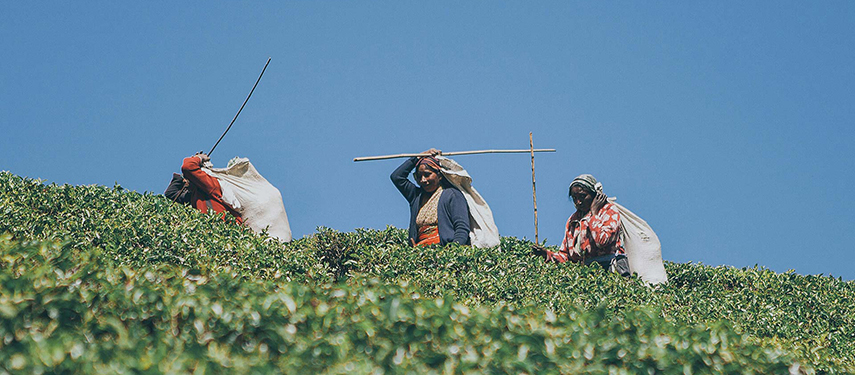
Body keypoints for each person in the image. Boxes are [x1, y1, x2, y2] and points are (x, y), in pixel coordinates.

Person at [533, 174, 630, 277]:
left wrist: (594, 214)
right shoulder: (573, 221)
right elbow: (566, 257)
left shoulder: (608, 211)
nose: (578, 202)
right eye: (574, 198)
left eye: (583, 196)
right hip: (587, 274)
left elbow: (602, 241)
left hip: (611, 268)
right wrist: (546, 254)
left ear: (595, 195)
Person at [391, 149, 470, 247]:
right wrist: (417, 157)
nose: (423, 180)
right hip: (420, 254)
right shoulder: (416, 196)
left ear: (439, 175)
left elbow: (462, 228)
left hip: (443, 251)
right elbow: (397, 177)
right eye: (419, 176)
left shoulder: (452, 195)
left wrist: (452, 251)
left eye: (427, 175)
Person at [164, 152, 242, 223]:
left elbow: (188, 167)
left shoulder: (211, 184)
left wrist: (199, 158)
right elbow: (171, 193)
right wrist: (180, 177)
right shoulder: (194, 196)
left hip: (223, 228)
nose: (184, 182)